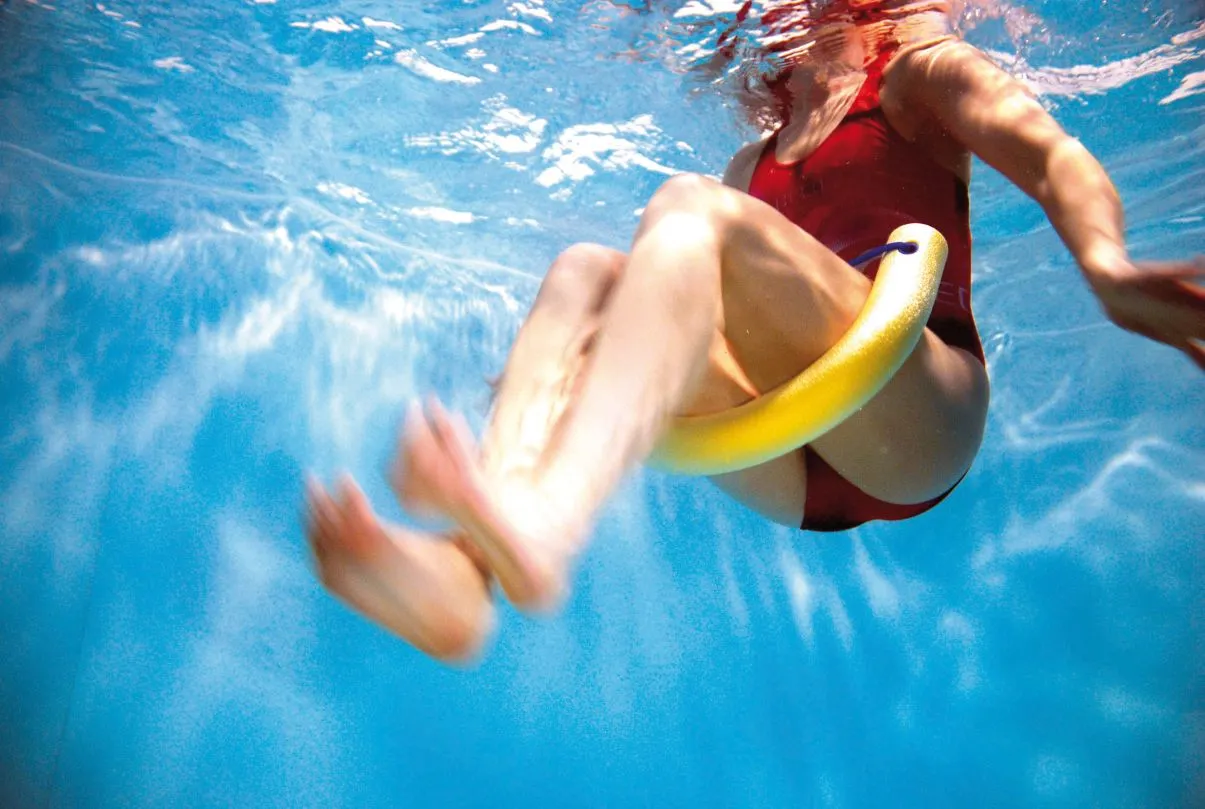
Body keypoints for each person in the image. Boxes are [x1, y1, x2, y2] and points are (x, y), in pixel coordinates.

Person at [304, 0, 1205, 663]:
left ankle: (542, 530)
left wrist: (1106, 265)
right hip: (794, 465)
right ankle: (467, 575)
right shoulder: (752, 160)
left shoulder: (919, 71)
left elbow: (1051, 158)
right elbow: (684, 315)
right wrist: (578, 366)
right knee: (586, 271)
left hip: (920, 422)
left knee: (691, 208)